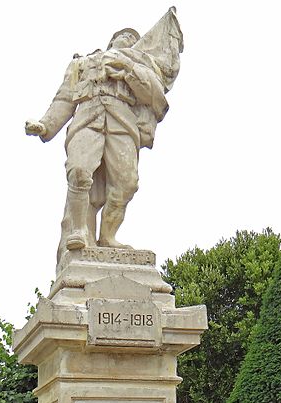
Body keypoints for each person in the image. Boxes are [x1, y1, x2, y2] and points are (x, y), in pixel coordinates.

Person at [25, 9, 183, 259]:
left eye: (133, 39)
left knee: (127, 184)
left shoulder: (139, 66)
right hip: (87, 119)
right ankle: (79, 231)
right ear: (111, 41)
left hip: (122, 124)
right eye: (123, 36)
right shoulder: (82, 64)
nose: (128, 39)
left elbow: (155, 97)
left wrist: (128, 68)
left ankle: (108, 236)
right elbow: (64, 99)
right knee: (78, 171)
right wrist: (46, 125)